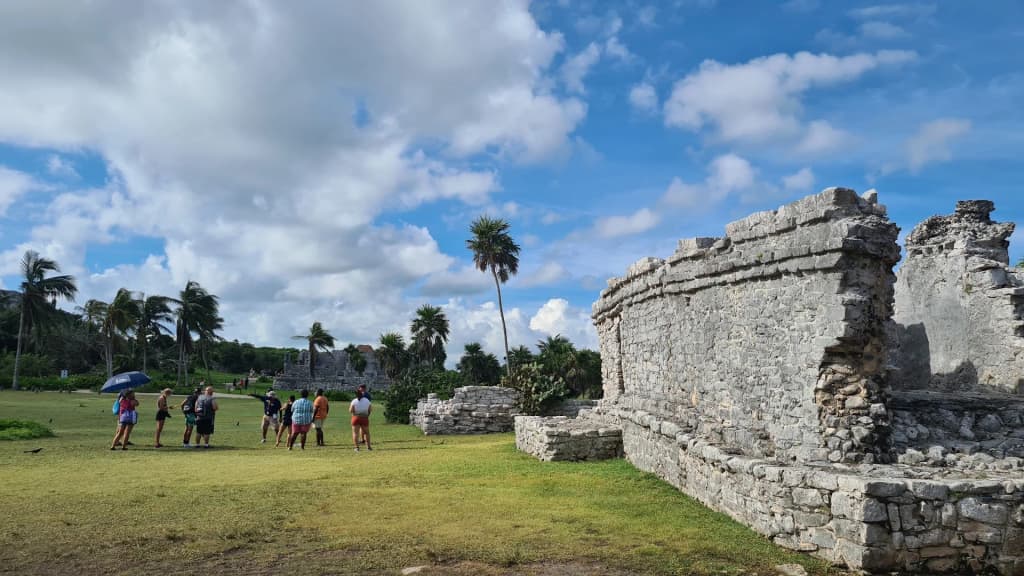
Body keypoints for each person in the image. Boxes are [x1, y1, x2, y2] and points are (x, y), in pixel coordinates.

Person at [349, 387, 372, 452]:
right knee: (367, 433)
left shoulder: (354, 401)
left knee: (355, 433)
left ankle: (357, 448)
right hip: (364, 417)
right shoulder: (367, 400)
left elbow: (350, 410)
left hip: (355, 417)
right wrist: (367, 415)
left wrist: (354, 413)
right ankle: (368, 447)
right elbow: (370, 409)